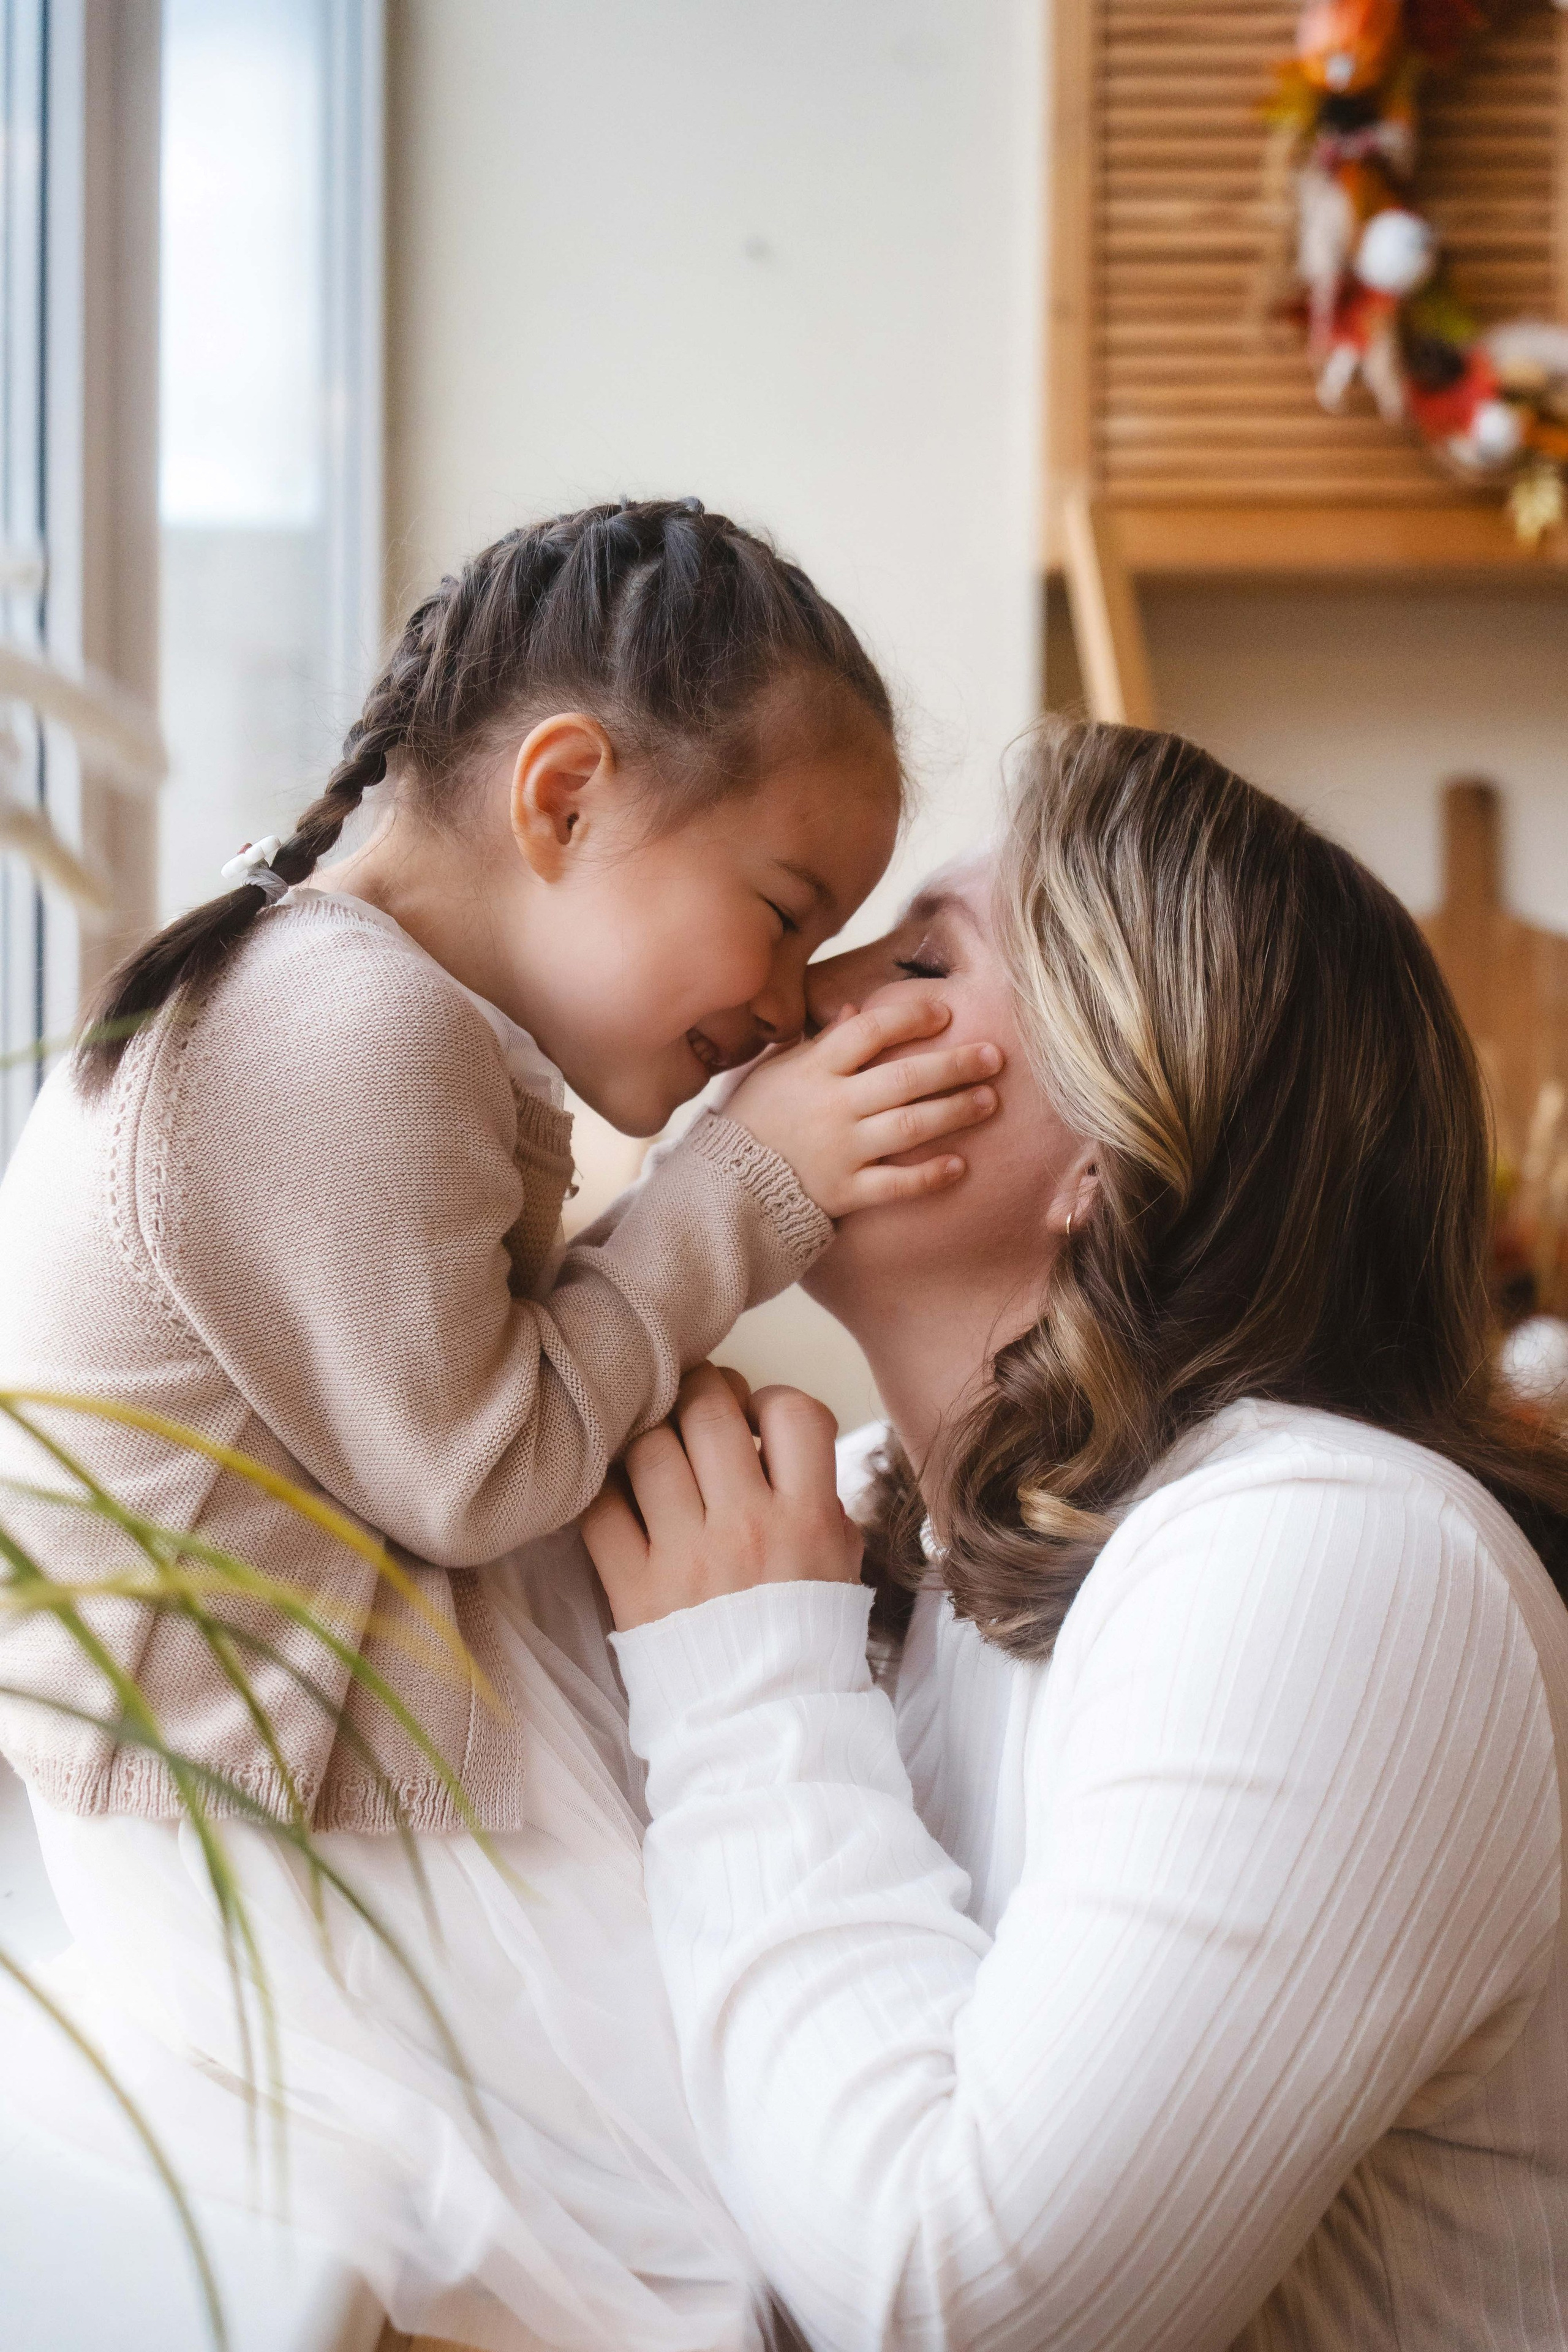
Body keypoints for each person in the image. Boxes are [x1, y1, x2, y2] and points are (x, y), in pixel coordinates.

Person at [0, 500, 1003, 2350]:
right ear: (565, 797)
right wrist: (742, 1191)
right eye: (786, 917)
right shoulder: (339, 1032)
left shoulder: (341, 989)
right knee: (771, 2202)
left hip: (321, 1761)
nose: (788, 1006)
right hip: (313, 1829)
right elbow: (486, 1467)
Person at [586, 719, 1568, 2351]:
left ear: (1109, 1153)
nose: (806, 994)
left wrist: (745, 1681)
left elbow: (966, 2307)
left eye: (923, 959)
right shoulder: (912, 1535)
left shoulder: (1333, 1562)